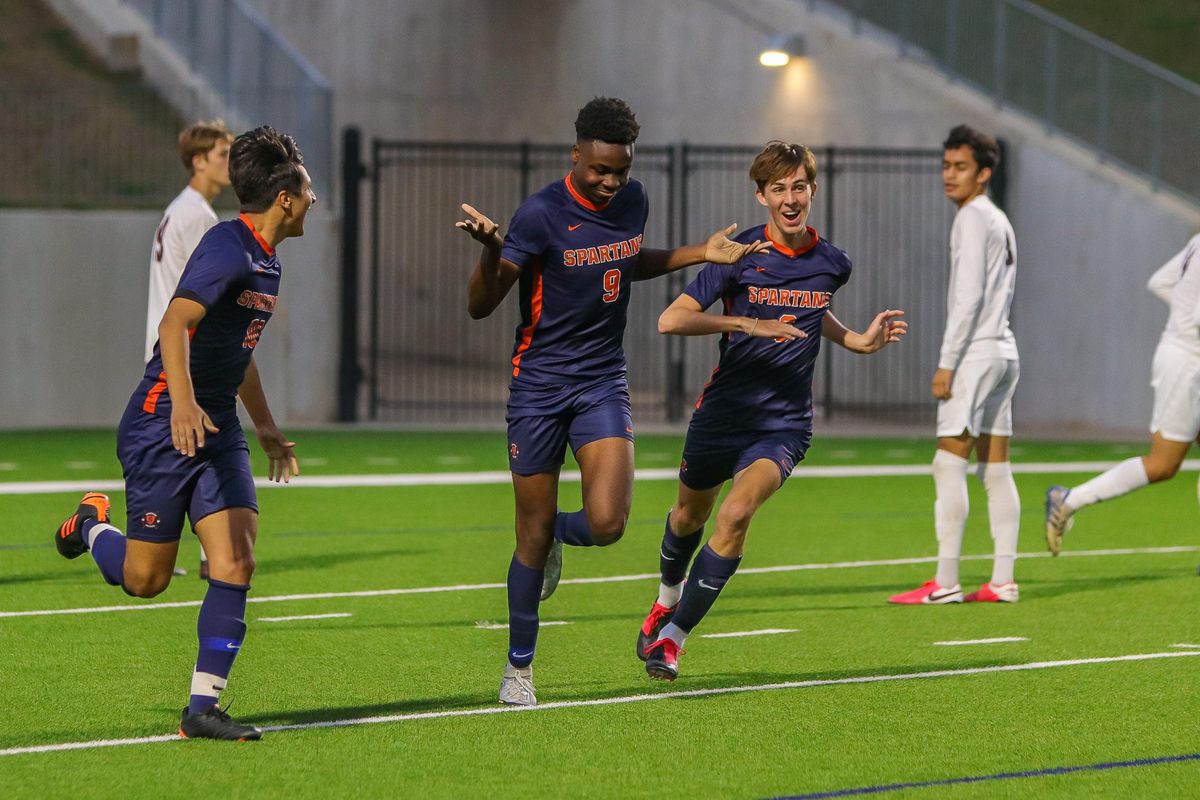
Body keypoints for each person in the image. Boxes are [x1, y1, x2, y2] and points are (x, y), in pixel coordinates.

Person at [455, 97, 768, 705]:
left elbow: (625, 264)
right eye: (599, 169)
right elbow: (480, 305)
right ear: (577, 154)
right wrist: (493, 250)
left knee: (607, 524)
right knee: (529, 530)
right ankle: (519, 670)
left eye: (619, 170)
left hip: (602, 379)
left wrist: (700, 254)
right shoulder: (540, 213)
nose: (609, 182)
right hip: (539, 387)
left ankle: (551, 541)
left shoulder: (634, 200)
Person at [53, 126, 316, 740]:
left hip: (215, 424)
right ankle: (91, 524)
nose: (314, 198)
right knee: (145, 581)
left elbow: (236, 351)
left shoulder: (267, 260)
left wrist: (269, 429)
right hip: (161, 424)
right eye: (308, 188)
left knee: (236, 559)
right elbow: (174, 326)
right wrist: (181, 405)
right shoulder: (228, 246)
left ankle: (202, 710)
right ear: (285, 198)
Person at [634, 140, 907, 681]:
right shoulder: (739, 258)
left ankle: (672, 639)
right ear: (761, 195)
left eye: (798, 186)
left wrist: (857, 341)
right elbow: (672, 319)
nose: (790, 198)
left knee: (735, 515)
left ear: (813, 189)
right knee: (689, 516)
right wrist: (747, 324)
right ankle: (666, 598)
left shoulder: (833, 263)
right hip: (722, 412)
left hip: (782, 424)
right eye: (778, 188)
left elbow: (813, 314)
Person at [888, 125, 1021, 606]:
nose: (949, 175)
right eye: (946, 165)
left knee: (948, 464)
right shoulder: (998, 219)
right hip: (1004, 352)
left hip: (977, 354)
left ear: (984, 173)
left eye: (960, 167)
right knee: (996, 468)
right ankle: (1003, 580)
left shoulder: (971, 218)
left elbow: (968, 299)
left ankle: (945, 582)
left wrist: (947, 363)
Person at [1045, 233, 1200, 552]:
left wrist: (1182, 314)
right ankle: (1069, 500)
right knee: (1162, 464)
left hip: (1186, 355)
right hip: (1186, 364)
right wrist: (1186, 320)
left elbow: (1160, 282)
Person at [147, 120, 235, 580]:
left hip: (169, 348)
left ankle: (201, 552)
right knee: (196, 446)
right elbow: (203, 300)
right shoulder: (198, 215)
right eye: (223, 154)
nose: (230, 163)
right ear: (199, 161)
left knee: (189, 449)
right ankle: (198, 552)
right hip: (183, 352)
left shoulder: (181, 208)